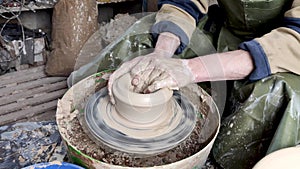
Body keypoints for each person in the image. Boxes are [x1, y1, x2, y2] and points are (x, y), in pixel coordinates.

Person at [68, 0, 300, 168]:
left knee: (276, 93)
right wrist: (161, 55)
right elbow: (184, 3)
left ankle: (221, 157)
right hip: (226, 32)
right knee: (143, 36)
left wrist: (190, 69)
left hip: (282, 51)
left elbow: (294, 39)